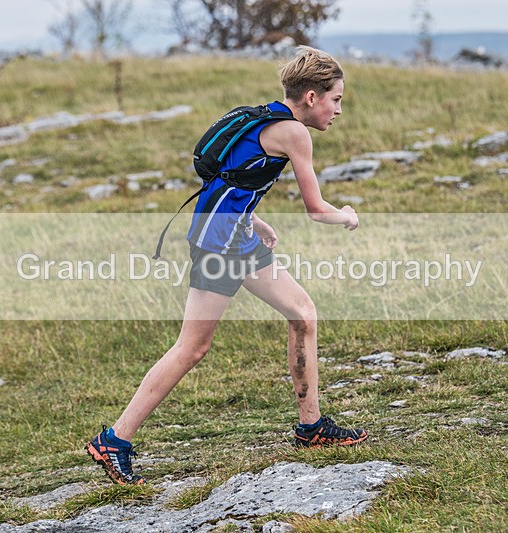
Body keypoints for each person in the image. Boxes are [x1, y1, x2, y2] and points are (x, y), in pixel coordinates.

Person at [86, 46, 368, 485]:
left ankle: (311, 427)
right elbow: (316, 209)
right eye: (336, 99)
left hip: (233, 235)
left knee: (303, 314)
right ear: (311, 97)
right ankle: (114, 439)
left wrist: (253, 218)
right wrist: (347, 214)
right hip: (220, 245)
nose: (338, 110)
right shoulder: (295, 133)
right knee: (192, 347)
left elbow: (226, 176)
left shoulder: (261, 116)